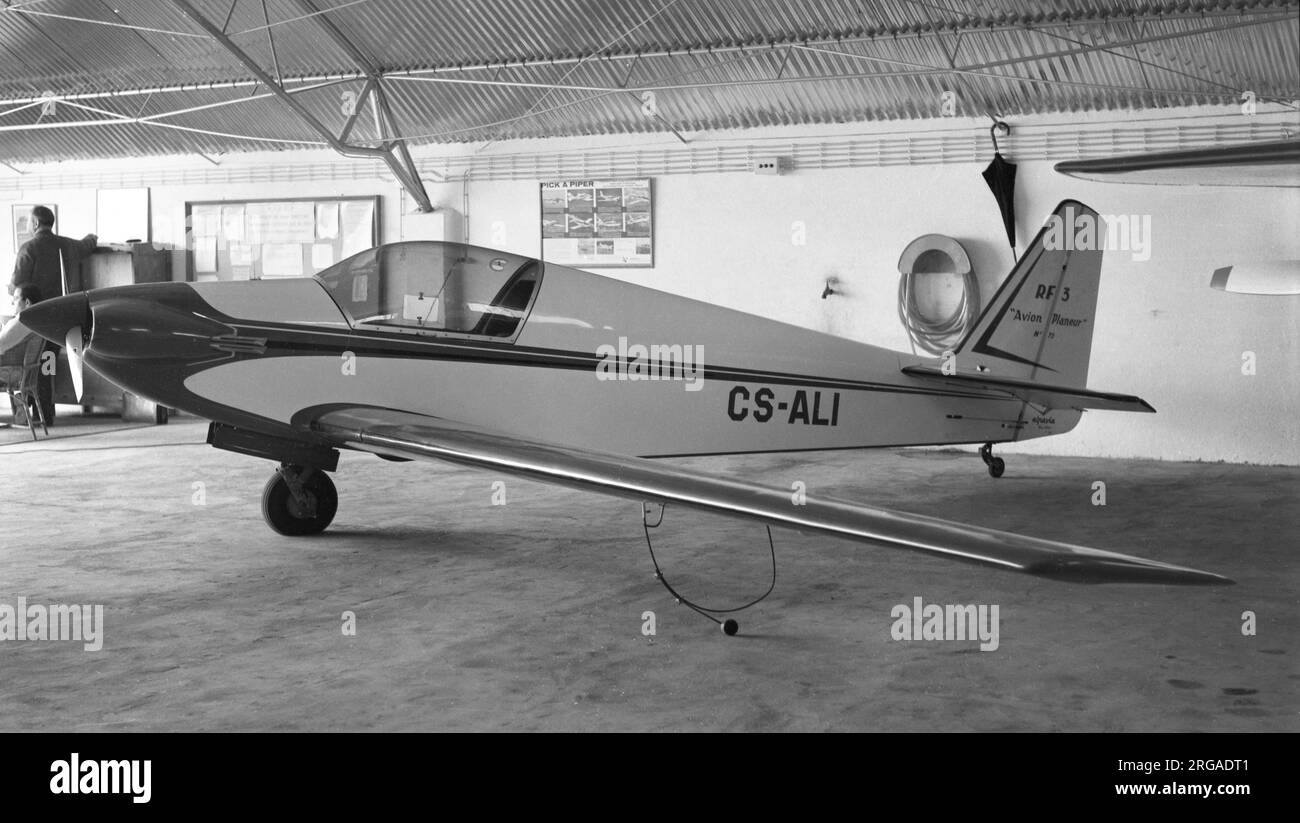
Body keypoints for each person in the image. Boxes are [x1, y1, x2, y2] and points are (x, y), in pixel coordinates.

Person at [8, 205, 96, 300]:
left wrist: (10, 288)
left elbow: (17, 285)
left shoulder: (27, 248)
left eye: (28, 221)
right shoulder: (68, 244)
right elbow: (88, 244)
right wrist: (92, 237)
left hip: (37, 309)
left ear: (36, 223)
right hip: (63, 305)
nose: (26, 225)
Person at [0, 284, 45, 427]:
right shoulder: (36, 321)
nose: (13, 302)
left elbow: (1, 344)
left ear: (27, 302)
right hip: (25, 372)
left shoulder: (21, 320)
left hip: (8, 372)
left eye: (16, 298)